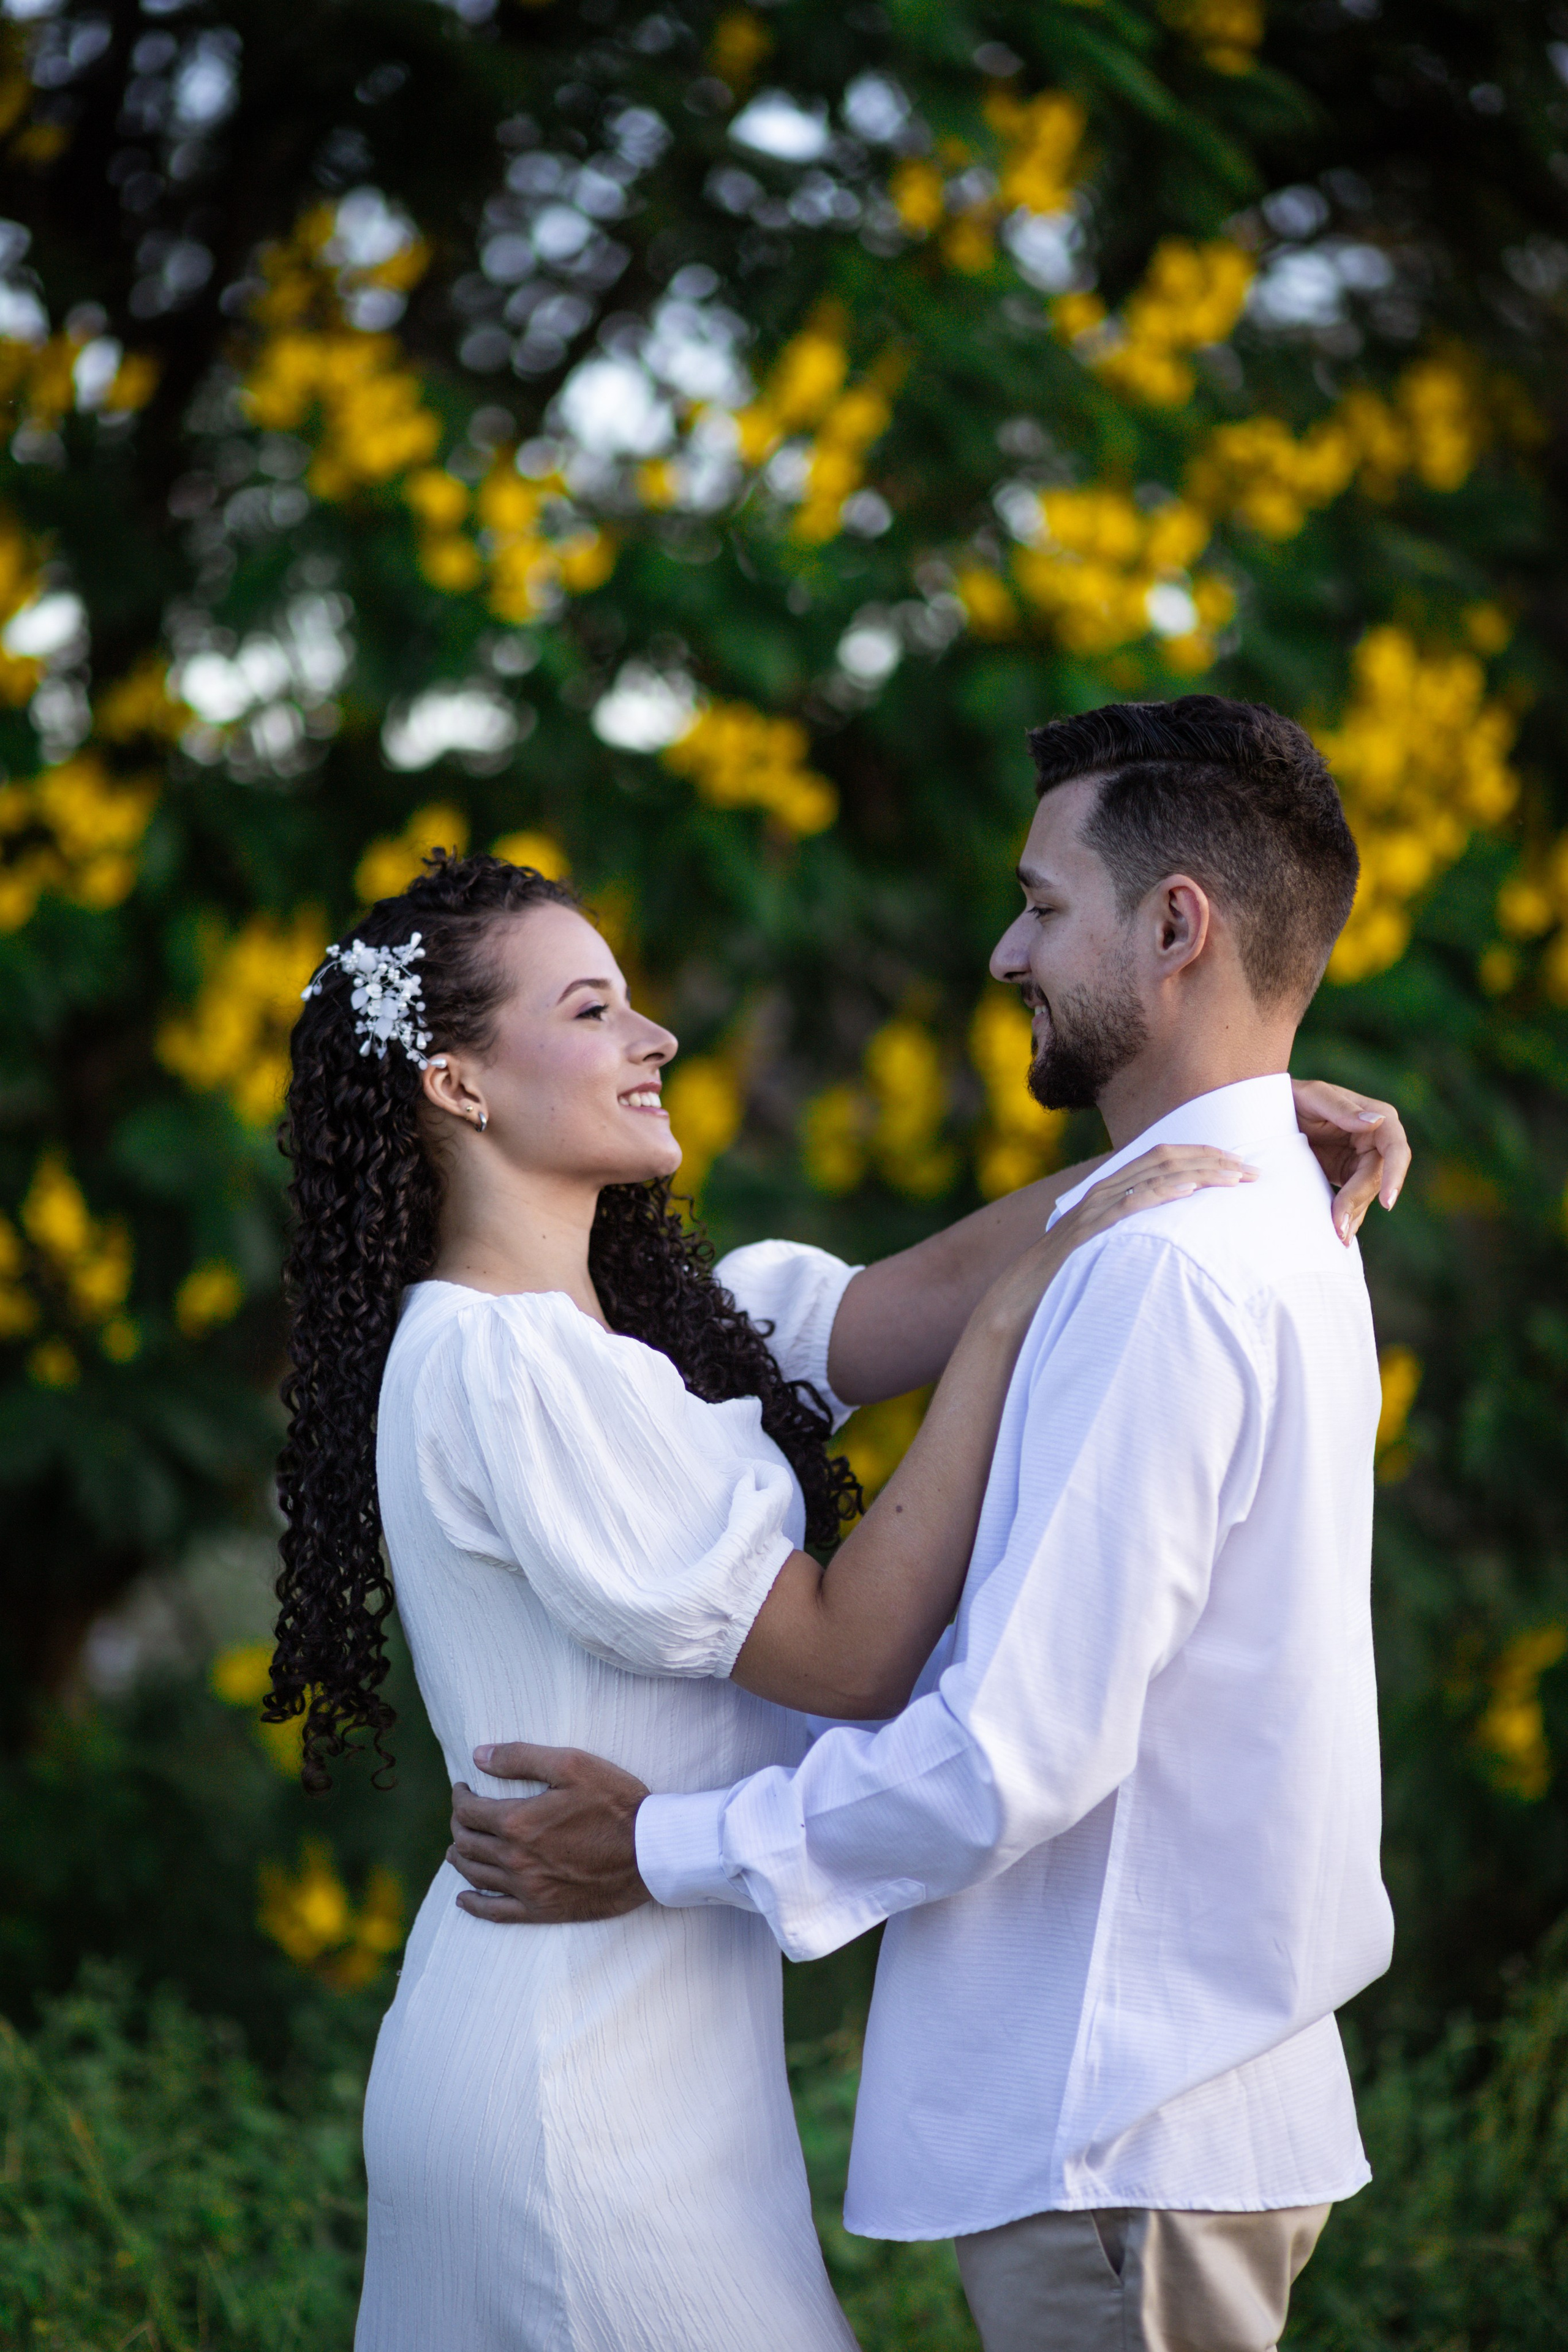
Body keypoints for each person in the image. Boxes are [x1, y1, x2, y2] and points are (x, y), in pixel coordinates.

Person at [446, 695, 1404, 2352]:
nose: (1003, 951)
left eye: (1042, 905)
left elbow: (1012, 1755)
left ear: (1176, 928)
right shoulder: (1254, 1220)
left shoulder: (1168, 1270)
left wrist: (657, 1848)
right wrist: (1236, 1117)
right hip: (1154, 2115)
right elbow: (872, 1316)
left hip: (1121, 2122)